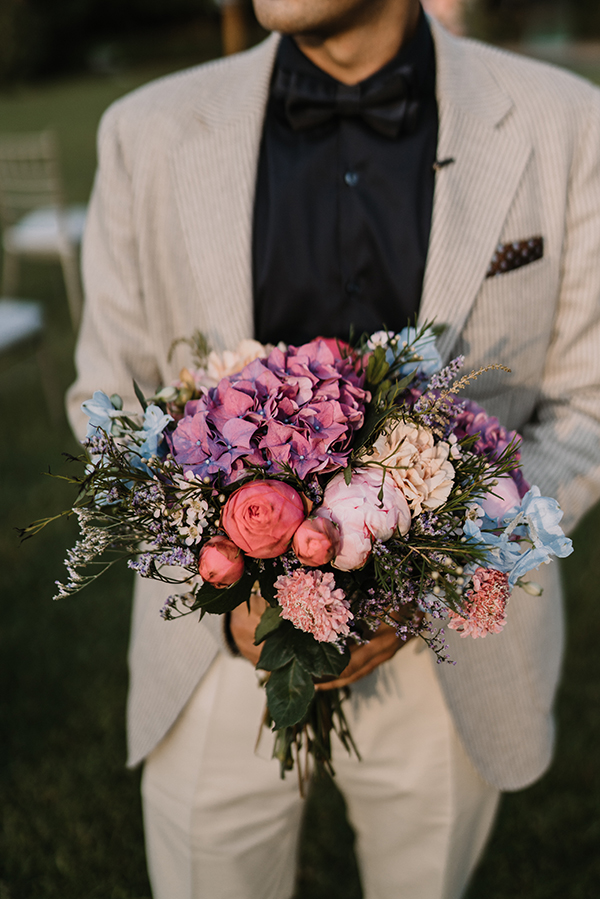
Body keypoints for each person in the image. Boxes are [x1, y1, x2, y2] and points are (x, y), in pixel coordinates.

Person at [67, 1, 600, 897]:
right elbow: (102, 403)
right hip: (212, 652)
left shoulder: (569, 121)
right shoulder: (143, 133)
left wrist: (438, 567)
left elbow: (586, 404)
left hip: (448, 659)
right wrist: (219, 564)